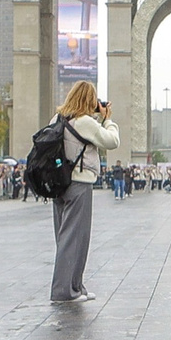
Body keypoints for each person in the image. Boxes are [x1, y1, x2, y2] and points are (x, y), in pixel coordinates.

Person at [50, 81, 119, 303]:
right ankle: (65, 291)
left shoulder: (57, 119)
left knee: (66, 237)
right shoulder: (85, 122)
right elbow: (111, 141)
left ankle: (75, 286)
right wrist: (107, 119)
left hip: (58, 182)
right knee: (76, 237)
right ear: (89, 100)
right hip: (79, 183)